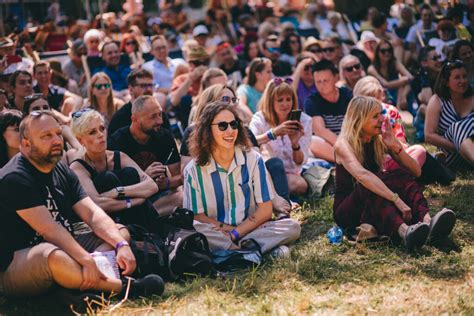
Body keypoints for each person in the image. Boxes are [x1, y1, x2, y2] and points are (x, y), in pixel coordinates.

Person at [0, 111, 163, 303]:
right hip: (15, 264)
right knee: (52, 256)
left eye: (58, 134)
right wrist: (86, 260)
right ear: (26, 144)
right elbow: (49, 230)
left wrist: (122, 245)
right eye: (46, 136)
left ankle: (71, 288)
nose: (56, 141)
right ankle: (126, 288)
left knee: (119, 232)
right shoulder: (15, 178)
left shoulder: (59, 169)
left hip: (66, 247)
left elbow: (92, 213)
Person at [333, 96, 456, 251]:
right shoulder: (343, 144)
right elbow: (363, 176)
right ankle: (405, 232)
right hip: (347, 210)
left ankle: (428, 222)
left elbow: (416, 171)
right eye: (375, 116)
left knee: (399, 174)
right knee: (369, 185)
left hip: (372, 200)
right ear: (359, 120)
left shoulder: (378, 139)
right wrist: (397, 200)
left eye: (381, 114)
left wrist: (395, 146)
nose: (382, 119)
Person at [183, 100, 301, 254]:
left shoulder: (253, 159)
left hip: (250, 229)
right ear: (207, 131)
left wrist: (235, 234)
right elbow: (198, 217)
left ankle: (235, 252)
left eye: (234, 124)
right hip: (217, 232)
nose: (230, 130)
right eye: (222, 126)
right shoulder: (193, 170)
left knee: (292, 227)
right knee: (196, 229)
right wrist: (229, 231)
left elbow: (265, 211)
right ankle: (250, 251)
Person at [70, 109, 159, 225]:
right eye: (92, 132)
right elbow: (96, 204)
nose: (100, 135)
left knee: (130, 173)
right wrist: (132, 202)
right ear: (80, 139)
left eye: (102, 128)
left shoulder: (119, 156)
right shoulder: (78, 168)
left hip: (136, 217)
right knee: (107, 178)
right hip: (105, 223)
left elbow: (152, 186)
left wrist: (118, 192)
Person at [108, 95, 182, 216]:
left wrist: (166, 182)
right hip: (131, 199)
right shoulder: (118, 141)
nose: (160, 121)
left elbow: (178, 177)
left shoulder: (165, 136)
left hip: (159, 197)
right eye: (153, 117)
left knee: (181, 196)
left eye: (160, 114)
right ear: (135, 119)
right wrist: (144, 177)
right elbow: (112, 185)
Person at [250, 78, 311, 195]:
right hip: (264, 173)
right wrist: (273, 133)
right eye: (280, 100)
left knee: (301, 185)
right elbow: (249, 141)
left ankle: (273, 194)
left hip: (289, 174)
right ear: (270, 101)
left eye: (289, 99)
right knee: (264, 146)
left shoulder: (304, 120)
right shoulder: (260, 118)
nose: (285, 104)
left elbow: (299, 162)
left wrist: (295, 144)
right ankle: (281, 198)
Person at [425, 60, 474, 169]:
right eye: (457, 77)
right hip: (450, 153)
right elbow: (429, 136)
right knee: (456, 127)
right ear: (446, 82)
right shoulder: (437, 101)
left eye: (464, 76)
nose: (463, 80)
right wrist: (457, 145)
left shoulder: (472, 98)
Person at [304, 60, 353, 162]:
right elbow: (320, 130)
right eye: (318, 81)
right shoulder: (312, 101)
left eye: (325, 80)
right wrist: (344, 147)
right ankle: (347, 162)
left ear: (336, 78)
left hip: (351, 141)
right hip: (331, 146)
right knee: (313, 142)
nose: (322, 85)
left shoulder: (347, 95)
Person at [108, 68, 170, 137]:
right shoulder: (120, 118)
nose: (149, 89)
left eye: (150, 85)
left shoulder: (160, 115)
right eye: (143, 86)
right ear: (131, 89)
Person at [368, 39, 414, 111]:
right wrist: (403, 81)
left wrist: (404, 95)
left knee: (404, 86)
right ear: (377, 53)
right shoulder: (372, 68)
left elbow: (411, 78)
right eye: (383, 51)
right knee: (402, 83)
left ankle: (401, 106)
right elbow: (385, 84)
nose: (386, 53)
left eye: (389, 50)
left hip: (397, 94)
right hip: (381, 96)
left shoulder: (394, 63)